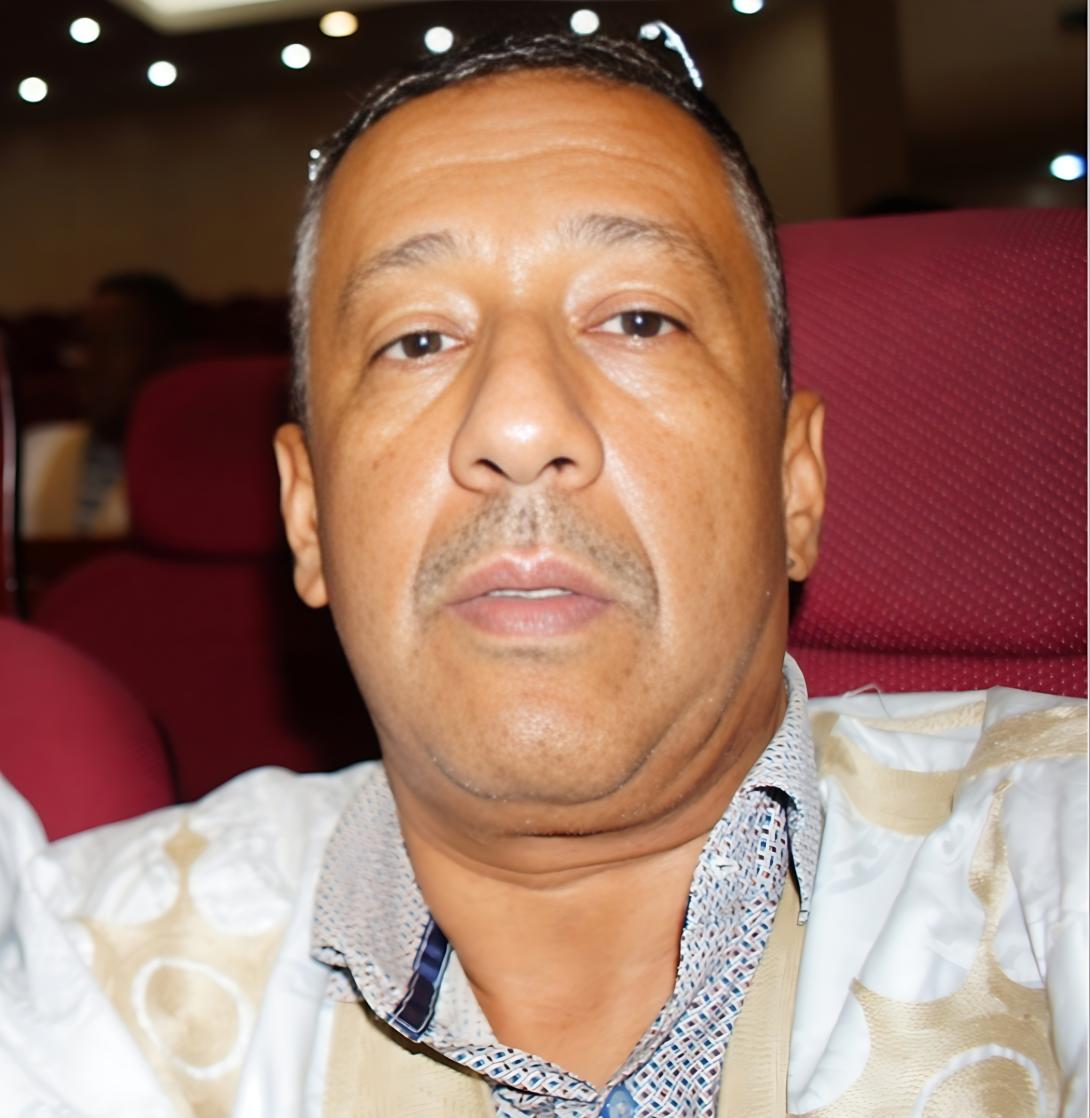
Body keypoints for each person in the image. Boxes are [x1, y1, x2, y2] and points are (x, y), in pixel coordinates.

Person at [0, 27, 1085, 1118]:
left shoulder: (1051, 849)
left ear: (793, 485)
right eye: (416, 340)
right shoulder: (90, 971)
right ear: (308, 517)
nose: (518, 423)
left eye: (639, 319)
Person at [20, 272, 190, 537]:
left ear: (165, 358)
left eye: (111, 343)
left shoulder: (202, 472)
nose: (86, 361)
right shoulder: (36, 453)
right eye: (85, 343)